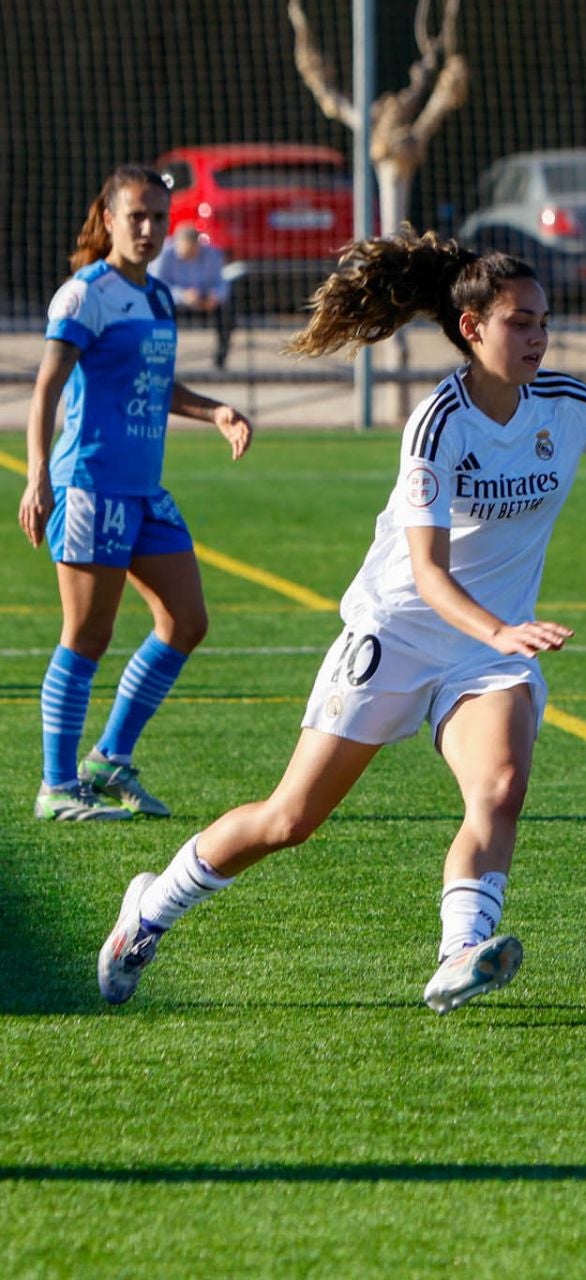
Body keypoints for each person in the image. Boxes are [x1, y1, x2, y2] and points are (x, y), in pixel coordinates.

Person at [95, 228, 586, 1014]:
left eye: (544, 320)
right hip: (398, 633)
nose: (539, 335)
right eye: (520, 322)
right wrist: (501, 630)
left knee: (499, 788)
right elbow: (429, 575)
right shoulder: (439, 422)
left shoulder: (571, 405)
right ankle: (149, 910)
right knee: (290, 819)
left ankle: (458, 951)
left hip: (487, 651)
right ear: (473, 329)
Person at [17, 166, 253, 823]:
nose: (149, 229)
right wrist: (38, 476)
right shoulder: (84, 296)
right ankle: (58, 788)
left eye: (159, 216)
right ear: (111, 218)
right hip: (91, 484)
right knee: (88, 635)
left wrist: (218, 413)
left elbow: (159, 386)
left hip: (143, 492)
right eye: (137, 217)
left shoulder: (157, 297)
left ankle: (110, 759)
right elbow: (46, 389)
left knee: (186, 621)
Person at [153, 224, 234, 370]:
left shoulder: (212, 255)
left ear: (198, 244)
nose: (190, 254)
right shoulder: (164, 256)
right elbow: (159, 287)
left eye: (193, 250)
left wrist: (215, 297)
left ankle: (220, 360)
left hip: (205, 300)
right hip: (175, 302)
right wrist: (182, 295)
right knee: (159, 310)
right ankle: (162, 360)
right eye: (186, 251)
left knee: (227, 310)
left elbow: (222, 283)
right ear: (176, 243)